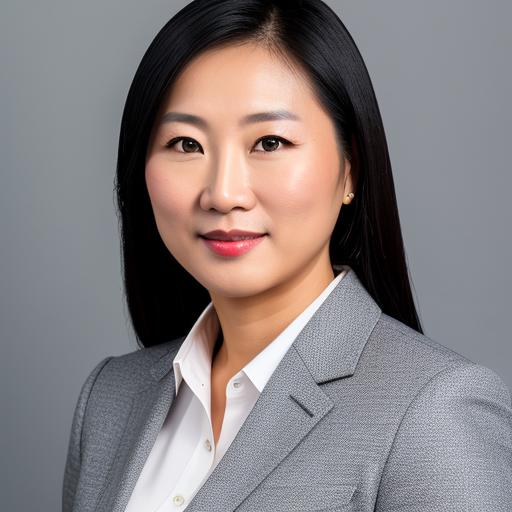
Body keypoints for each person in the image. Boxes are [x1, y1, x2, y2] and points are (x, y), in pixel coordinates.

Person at [62, 1, 512, 511]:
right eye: (186, 144)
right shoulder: (109, 399)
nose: (223, 193)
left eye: (269, 142)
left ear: (350, 172)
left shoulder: (432, 410)